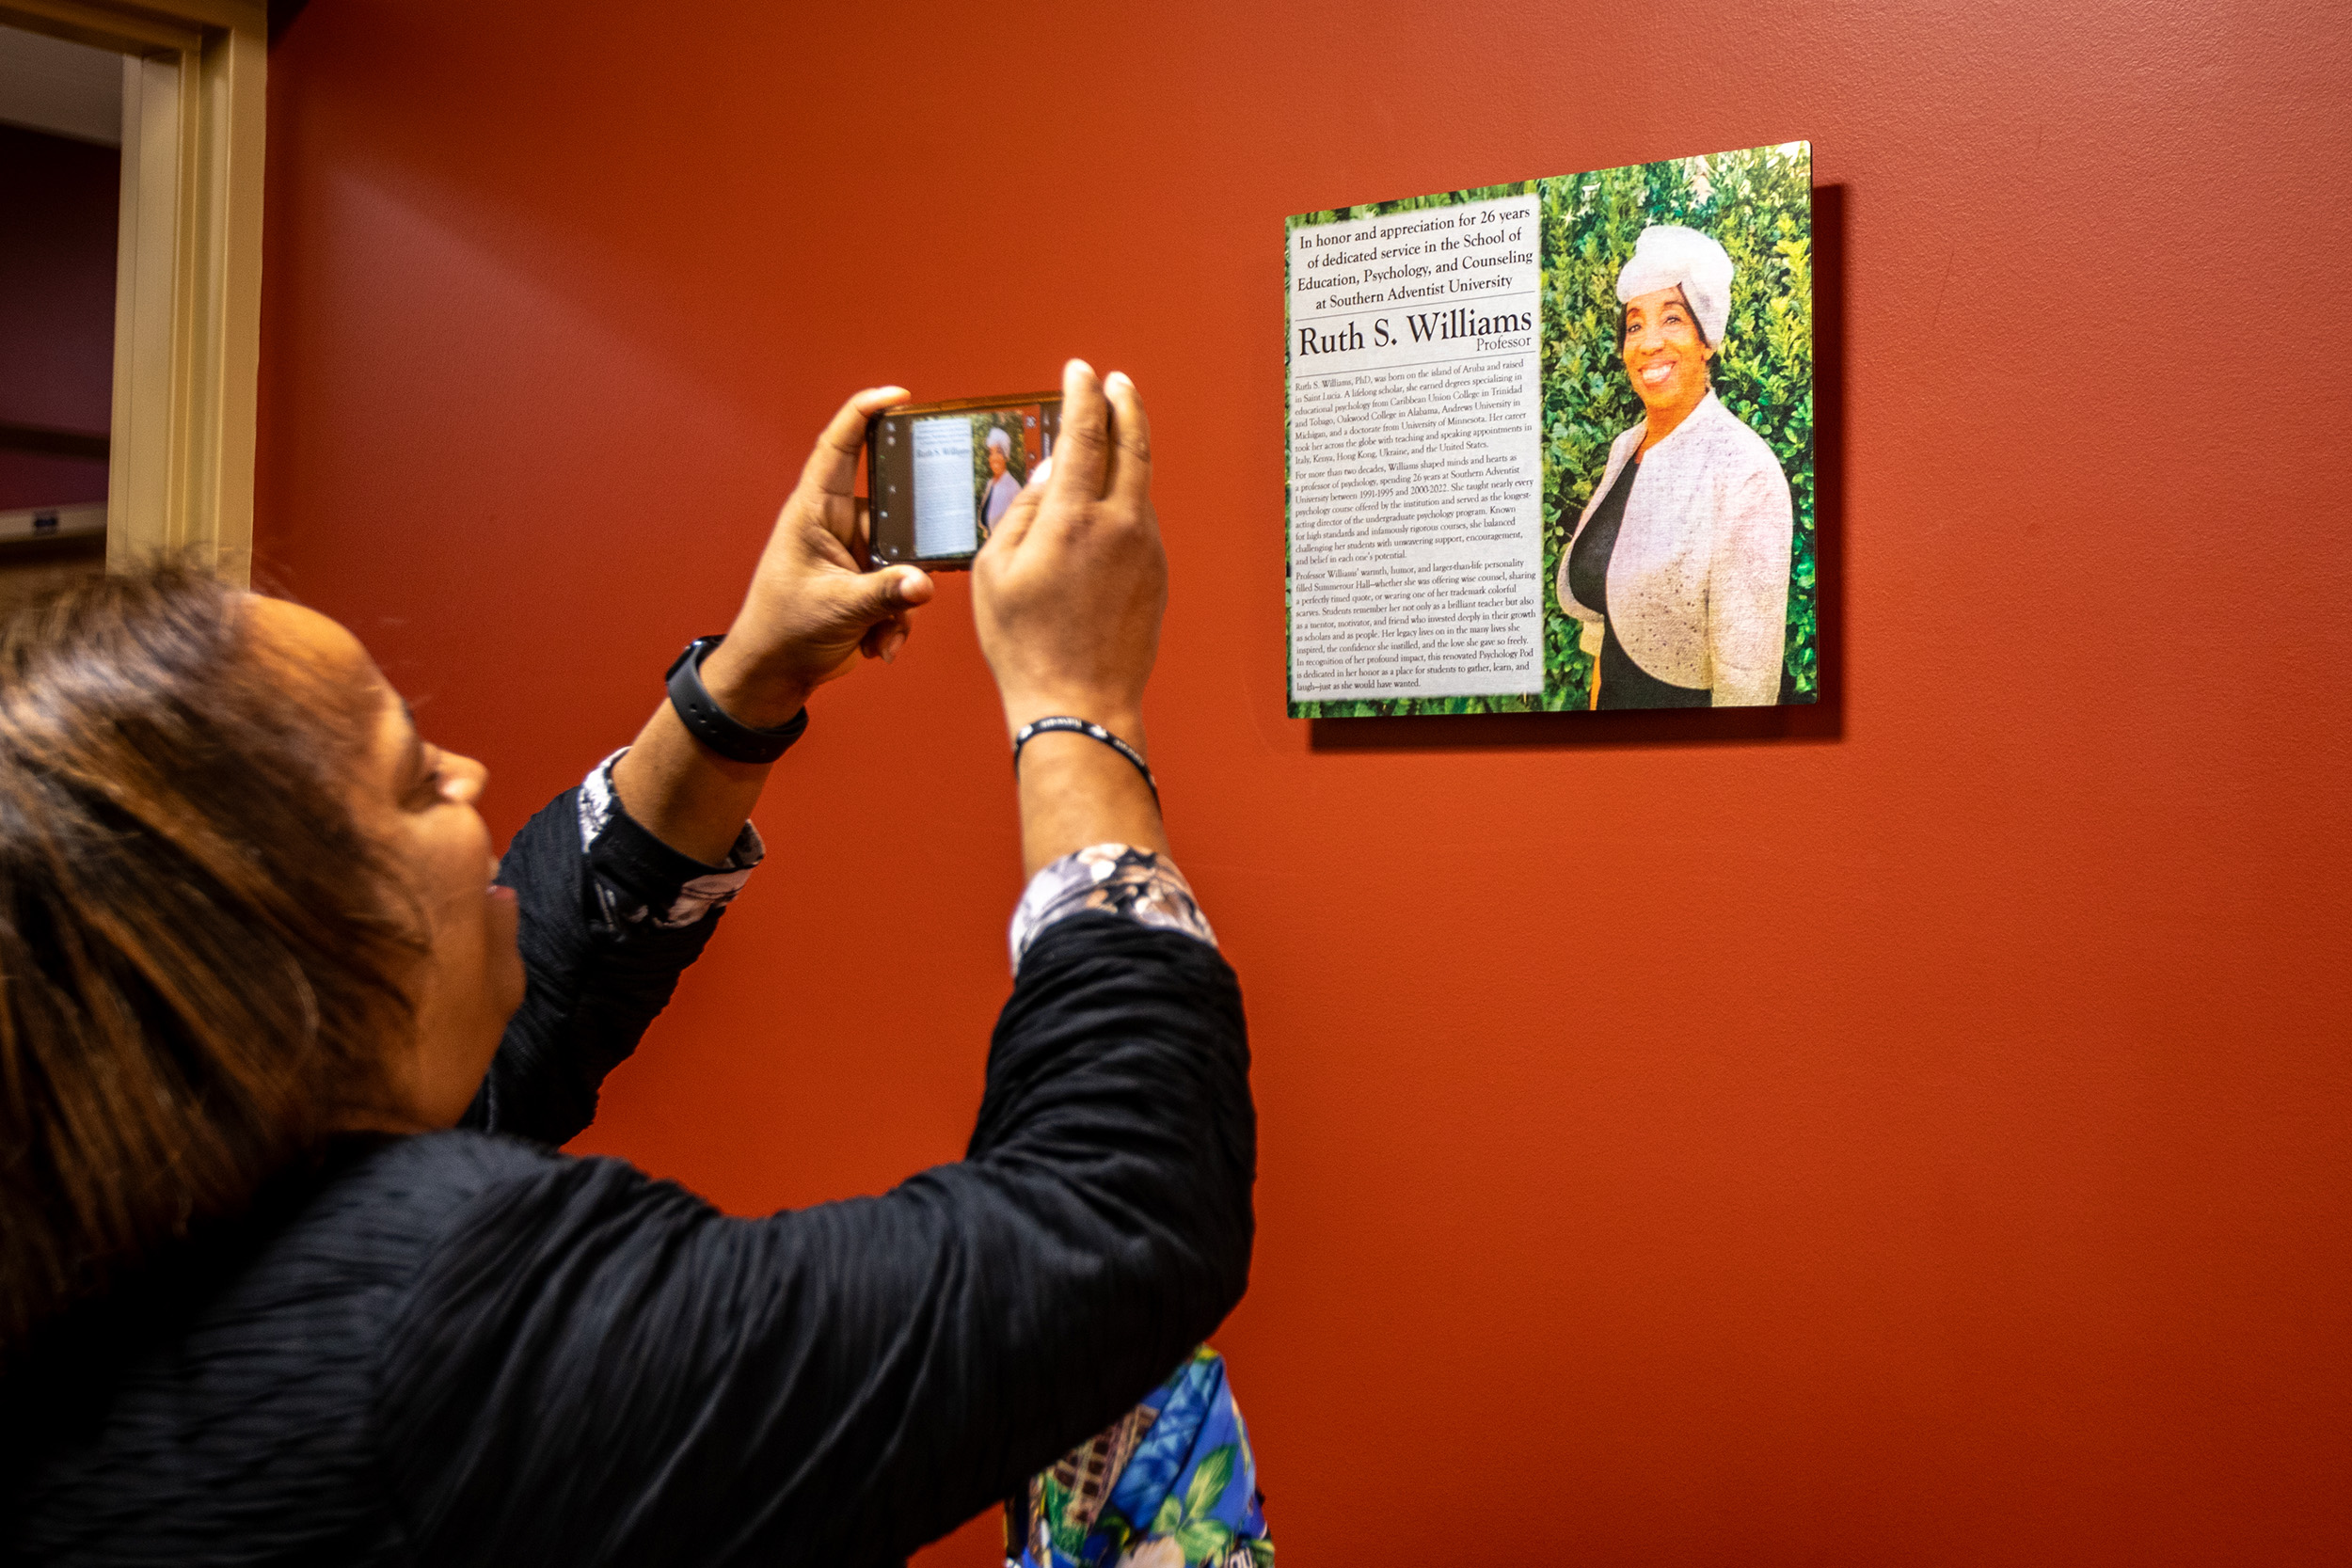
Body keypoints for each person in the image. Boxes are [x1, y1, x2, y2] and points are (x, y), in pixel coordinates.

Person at [0, 361, 1259, 1567]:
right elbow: (1114, 1218)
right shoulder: (453, 1337)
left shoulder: (141, 1206)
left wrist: (748, 680)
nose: (470, 777)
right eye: (413, 776)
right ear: (282, 967)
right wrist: (1076, 703)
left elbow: (531, 979)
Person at [1554, 224, 1795, 709]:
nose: (1648, 344)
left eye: (1673, 319)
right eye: (1635, 324)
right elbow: (1604, 619)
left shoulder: (1744, 470)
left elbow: (1748, 679)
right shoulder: (1626, 448)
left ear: (1707, 340)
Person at [981, 424, 1025, 533]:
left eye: (999, 452)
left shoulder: (1013, 487)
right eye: (991, 452)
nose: (994, 457)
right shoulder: (990, 484)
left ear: (1006, 456)